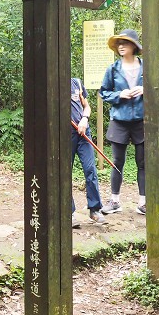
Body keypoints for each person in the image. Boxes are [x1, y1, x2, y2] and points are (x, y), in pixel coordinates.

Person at [99, 29, 146, 215]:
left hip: (142, 121)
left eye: (124, 43)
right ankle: (114, 201)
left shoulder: (146, 67)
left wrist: (145, 89)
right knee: (117, 161)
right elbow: (104, 92)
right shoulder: (113, 69)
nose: (120, 46)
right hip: (119, 121)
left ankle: (143, 203)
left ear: (133, 46)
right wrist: (120, 94)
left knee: (143, 163)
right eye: (119, 43)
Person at [70, 77, 107, 228]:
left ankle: (95, 209)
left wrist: (84, 119)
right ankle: (69, 213)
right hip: (65, 134)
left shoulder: (76, 82)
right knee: (64, 173)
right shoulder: (52, 85)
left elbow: (86, 106)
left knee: (90, 169)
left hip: (83, 132)